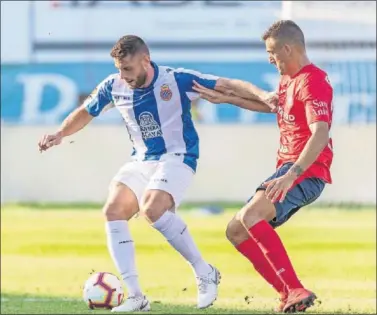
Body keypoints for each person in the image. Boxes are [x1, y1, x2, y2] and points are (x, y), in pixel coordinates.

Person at [37, 35, 235, 312]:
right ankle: (136, 296)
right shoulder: (113, 85)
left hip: (178, 155)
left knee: (152, 209)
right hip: (142, 159)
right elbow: (86, 111)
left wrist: (265, 98)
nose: (123, 75)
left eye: (127, 69)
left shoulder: (175, 79)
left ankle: (205, 272)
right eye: (119, 69)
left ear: (145, 60)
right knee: (113, 209)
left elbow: (226, 85)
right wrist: (60, 133)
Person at [192, 20, 333, 313]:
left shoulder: (313, 80)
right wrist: (226, 99)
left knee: (252, 215)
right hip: (290, 170)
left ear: (288, 48)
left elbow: (320, 132)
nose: (270, 59)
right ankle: (288, 294)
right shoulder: (288, 80)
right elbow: (272, 106)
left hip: (305, 171)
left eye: (272, 52)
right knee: (236, 231)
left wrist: (292, 174)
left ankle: (294, 288)